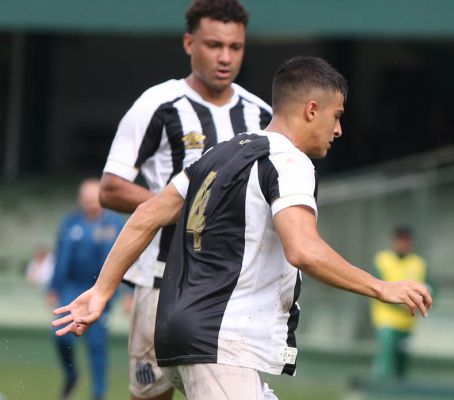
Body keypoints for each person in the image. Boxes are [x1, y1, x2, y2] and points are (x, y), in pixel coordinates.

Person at [54, 56, 432, 400]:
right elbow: (304, 250)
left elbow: (147, 215)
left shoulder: (220, 153)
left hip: (179, 335)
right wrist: (382, 287)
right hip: (221, 344)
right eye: (337, 116)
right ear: (312, 110)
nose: (339, 130)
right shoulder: (290, 163)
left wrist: (102, 291)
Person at [98, 1, 270, 398]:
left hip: (233, 288)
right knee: (151, 394)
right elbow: (111, 187)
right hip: (162, 279)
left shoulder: (260, 116)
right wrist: (183, 207)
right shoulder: (158, 105)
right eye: (213, 45)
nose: (225, 57)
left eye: (235, 47)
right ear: (189, 42)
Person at [48, 179, 124, 400]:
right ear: (81, 201)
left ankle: (98, 395)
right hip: (72, 288)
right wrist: (54, 287)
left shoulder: (115, 224)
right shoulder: (70, 224)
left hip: (101, 290)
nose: (91, 204)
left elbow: (127, 258)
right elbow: (61, 257)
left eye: (95, 199)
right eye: (87, 200)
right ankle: (71, 374)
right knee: (61, 336)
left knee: (97, 345)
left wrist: (128, 293)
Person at [370, 226, 431, 380]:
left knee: (402, 364)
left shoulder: (418, 264)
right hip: (387, 321)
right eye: (400, 240)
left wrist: (425, 299)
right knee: (386, 359)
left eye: (406, 241)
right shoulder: (383, 260)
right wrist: (402, 304)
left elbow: (430, 286)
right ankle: (378, 390)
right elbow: (377, 287)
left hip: (408, 323)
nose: (402, 244)